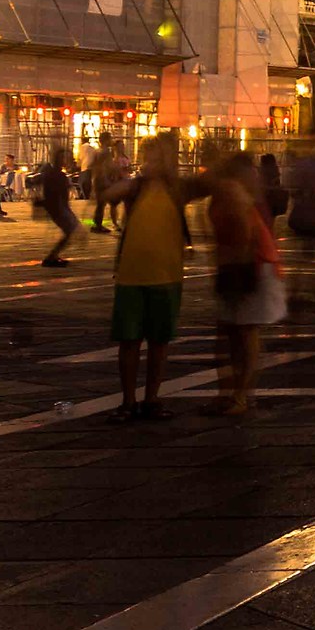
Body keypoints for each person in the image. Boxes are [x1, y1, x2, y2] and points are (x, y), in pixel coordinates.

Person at [105, 137, 204, 423]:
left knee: (159, 342)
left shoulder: (178, 188)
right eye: (149, 157)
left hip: (167, 274)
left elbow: (207, 185)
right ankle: (128, 401)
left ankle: (151, 399)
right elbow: (110, 193)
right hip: (131, 274)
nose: (154, 163)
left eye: (159, 157)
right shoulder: (135, 187)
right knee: (129, 341)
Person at [205, 153, 284, 418]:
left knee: (244, 332)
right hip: (237, 266)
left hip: (251, 265)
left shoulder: (236, 192)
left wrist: (235, 270)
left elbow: (245, 234)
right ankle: (230, 393)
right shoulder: (230, 192)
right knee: (231, 334)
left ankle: (239, 395)